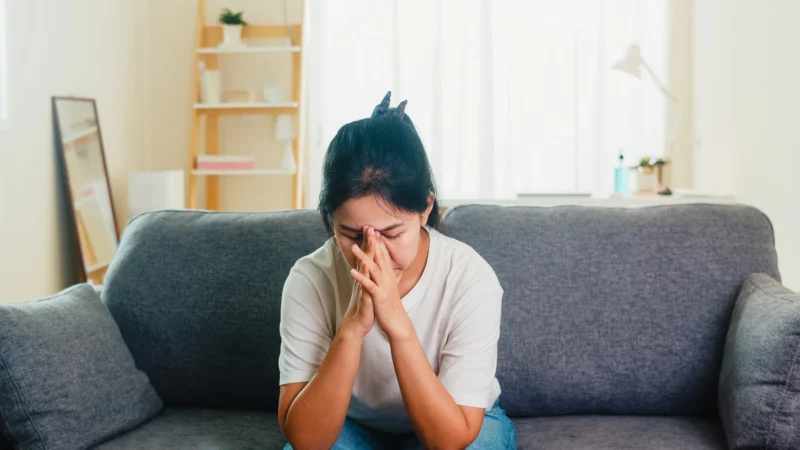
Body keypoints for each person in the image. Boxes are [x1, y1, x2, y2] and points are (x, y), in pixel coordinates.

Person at [278, 92, 516, 449]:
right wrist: (352, 329)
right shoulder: (310, 278)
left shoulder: (469, 278)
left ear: (425, 209)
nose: (373, 252)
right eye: (351, 234)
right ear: (330, 221)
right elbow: (306, 440)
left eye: (391, 233)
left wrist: (397, 324)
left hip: (454, 420)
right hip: (351, 424)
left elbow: (449, 439)